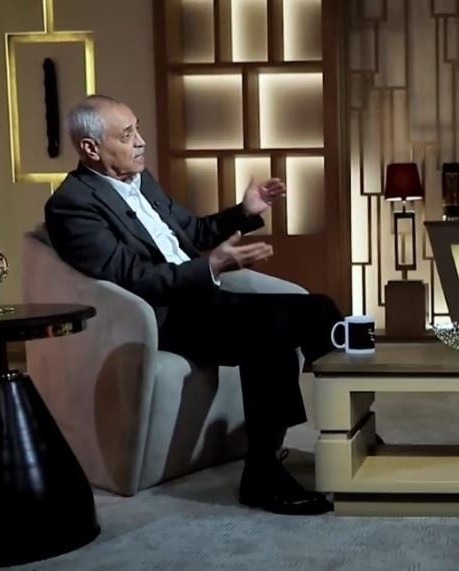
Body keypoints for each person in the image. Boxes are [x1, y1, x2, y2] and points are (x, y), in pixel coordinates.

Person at [45, 94, 343, 515]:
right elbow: (131, 278)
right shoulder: (72, 204)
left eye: (137, 129)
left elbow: (194, 232)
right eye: (127, 135)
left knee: (319, 309)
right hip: (161, 317)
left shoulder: (142, 181)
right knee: (270, 328)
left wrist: (244, 212)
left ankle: (349, 433)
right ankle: (262, 475)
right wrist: (212, 266)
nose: (141, 141)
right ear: (91, 148)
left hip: (202, 300)